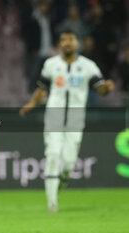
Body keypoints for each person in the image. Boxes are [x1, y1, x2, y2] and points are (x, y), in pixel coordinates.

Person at [19, 30, 114, 213]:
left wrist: (107, 88)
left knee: (69, 163)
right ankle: (52, 203)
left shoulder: (88, 66)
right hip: (54, 116)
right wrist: (31, 104)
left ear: (77, 43)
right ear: (60, 44)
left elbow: (101, 89)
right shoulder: (51, 64)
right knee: (53, 155)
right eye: (63, 40)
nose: (67, 43)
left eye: (70, 39)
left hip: (76, 118)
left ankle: (61, 182)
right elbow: (42, 89)